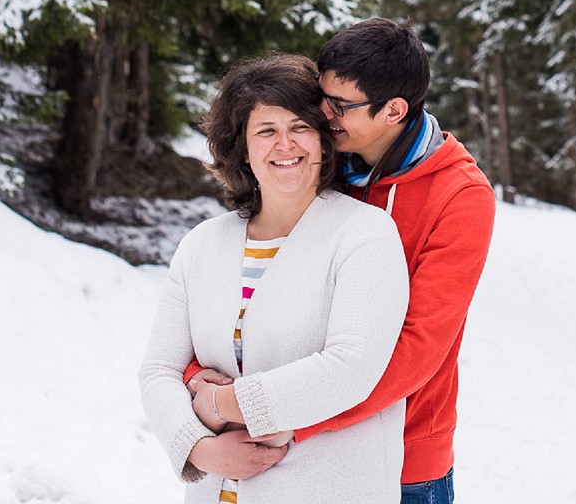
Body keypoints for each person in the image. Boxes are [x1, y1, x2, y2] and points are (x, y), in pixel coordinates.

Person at [186, 19, 496, 503]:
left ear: (393, 109)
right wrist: (205, 386)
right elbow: (245, 291)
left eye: (340, 106)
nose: (322, 114)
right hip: (275, 446)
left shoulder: (459, 196)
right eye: (321, 98)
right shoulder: (323, 165)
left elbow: (418, 347)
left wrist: (280, 418)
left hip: (405, 457)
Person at [139, 52, 409, 504]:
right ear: (243, 148)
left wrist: (223, 405)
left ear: (325, 141)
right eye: (266, 131)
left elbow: (353, 366)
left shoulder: (365, 233)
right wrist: (200, 449)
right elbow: (158, 370)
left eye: (299, 127)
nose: (285, 144)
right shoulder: (203, 244)